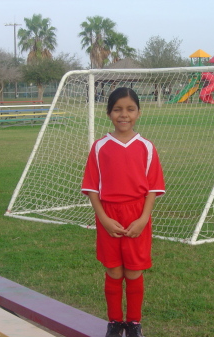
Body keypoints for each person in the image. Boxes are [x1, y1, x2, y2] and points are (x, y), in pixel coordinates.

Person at [81, 87, 165, 337]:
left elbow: (153, 188)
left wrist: (143, 219)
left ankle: (134, 323)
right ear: (108, 113)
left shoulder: (147, 147)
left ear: (138, 112)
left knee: (134, 271)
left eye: (130, 109)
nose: (123, 114)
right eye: (117, 109)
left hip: (137, 216)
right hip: (108, 215)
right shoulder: (100, 147)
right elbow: (92, 189)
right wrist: (104, 219)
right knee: (114, 271)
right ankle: (115, 322)